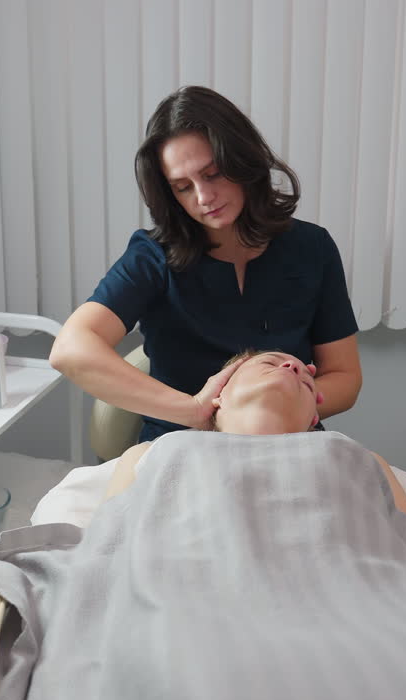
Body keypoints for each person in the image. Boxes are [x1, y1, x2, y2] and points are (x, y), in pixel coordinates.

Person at [50, 86, 362, 443]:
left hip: (291, 442)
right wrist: (196, 411)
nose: (202, 197)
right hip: (182, 445)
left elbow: (344, 376)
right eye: (183, 187)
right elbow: (70, 349)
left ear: (243, 162)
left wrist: (277, 414)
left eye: (212, 174)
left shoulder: (312, 248)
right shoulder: (152, 257)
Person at [102, 350, 406, 518]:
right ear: (219, 394)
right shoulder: (153, 454)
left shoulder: (356, 458)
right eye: (270, 362)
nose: (293, 367)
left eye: (307, 382)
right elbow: (108, 544)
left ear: (312, 419)